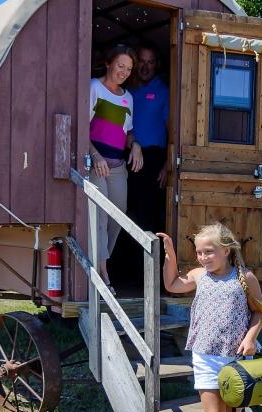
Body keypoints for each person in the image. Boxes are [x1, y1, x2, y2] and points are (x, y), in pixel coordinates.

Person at [156, 223, 262, 412]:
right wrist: (170, 255)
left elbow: (259, 312)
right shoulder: (199, 276)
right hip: (205, 357)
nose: (203, 258)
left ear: (227, 250)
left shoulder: (245, 280)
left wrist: (251, 337)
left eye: (209, 252)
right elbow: (173, 285)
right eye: (199, 252)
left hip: (236, 359)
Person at [89, 45, 144, 285]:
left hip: (117, 165)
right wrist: (95, 156)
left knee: (118, 215)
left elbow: (127, 132)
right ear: (109, 63)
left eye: (129, 69)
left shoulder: (127, 97)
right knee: (99, 217)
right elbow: (82, 128)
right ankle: (103, 273)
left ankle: (101, 260)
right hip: (96, 163)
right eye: (120, 66)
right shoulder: (94, 88)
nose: (124, 72)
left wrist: (136, 146)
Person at [128, 42, 169, 232]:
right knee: (129, 212)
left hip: (154, 159)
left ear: (157, 64)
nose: (145, 67)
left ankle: (152, 260)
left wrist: (167, 165)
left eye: (150, 62)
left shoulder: (164, 90)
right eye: (142, 62)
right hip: (128, 156)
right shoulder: (127, 87)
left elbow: (173, 130)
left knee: (151, 214)